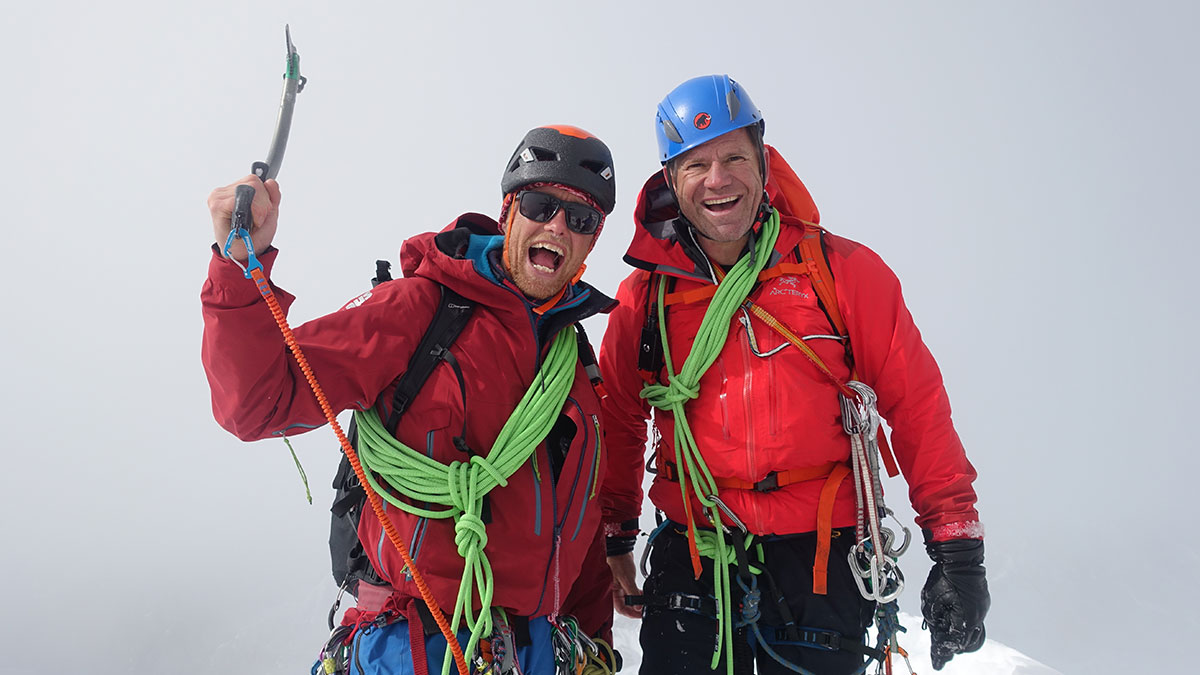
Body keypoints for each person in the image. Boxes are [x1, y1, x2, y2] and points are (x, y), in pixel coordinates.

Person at [599, 75, 990, 674]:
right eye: (696, 164)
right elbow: (621, 419)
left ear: (763, 160)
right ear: (671, 183)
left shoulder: (841, 272)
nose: (718, 179)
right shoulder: (646, 300)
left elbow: (916, 405)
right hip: (695, 554)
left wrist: (957, 551)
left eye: (734, 157)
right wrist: (618, 535)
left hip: (822, 561)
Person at [202, 125, 622, 675]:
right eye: (542, 205)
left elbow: (580, 532)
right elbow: (256, 402)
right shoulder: (419, 310)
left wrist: (597, 644)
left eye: (581, 219)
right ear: (509, 211)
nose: (558, 227)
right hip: (414, 647)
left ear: (592, 241)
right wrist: (239, 266)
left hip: (539, 652)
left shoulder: (574, 364)